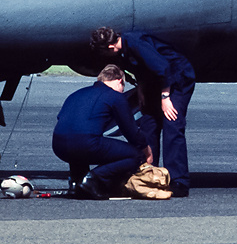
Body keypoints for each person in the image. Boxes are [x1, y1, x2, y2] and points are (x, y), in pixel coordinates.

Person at [91, 26, 195, 199]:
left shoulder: (136, 43)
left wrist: (165, 98)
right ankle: (149, 172)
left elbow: (164, 68)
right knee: (148, 124)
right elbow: (142, 70)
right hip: (156, 81)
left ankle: (179, 181)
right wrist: (141, 91)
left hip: (177, 79)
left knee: (172, 123)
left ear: (110, 47)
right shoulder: (122, 49)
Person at [51, 64, 152, 198]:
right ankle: (93, 178)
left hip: (58, 146)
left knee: (78, 138)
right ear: (120, 81)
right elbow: (131, 132)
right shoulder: (115, 96)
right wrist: (146, 150)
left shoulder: (77, 93)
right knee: (135, 155)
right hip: (85, 144)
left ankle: (76, 181)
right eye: (123, 86)